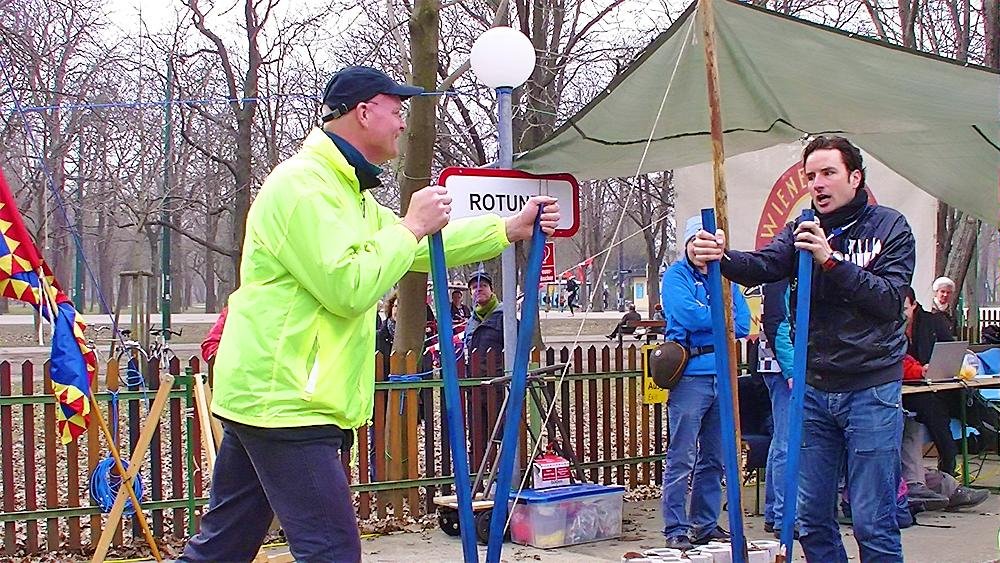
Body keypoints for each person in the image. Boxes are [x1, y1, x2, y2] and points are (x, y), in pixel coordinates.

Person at [179, 65, 560, 562]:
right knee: (331, 552)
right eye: (396, 109)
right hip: (290, 402)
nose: (403, 122)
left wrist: (506, 229)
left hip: (273, 395)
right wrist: (411, 227)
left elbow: (418, 247)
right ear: (363, 112)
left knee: (222, 548)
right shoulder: (304, 188)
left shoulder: (347, 194)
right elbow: (348, 287)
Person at [689, 136, 915, 562]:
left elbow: (889, 300)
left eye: (828, 173)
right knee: (809, 518)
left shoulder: (890, 227)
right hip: (814, 388)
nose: (818, 184)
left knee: (872, 519)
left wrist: (831, 261)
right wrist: (720, 256)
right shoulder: (802, 227)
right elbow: (764, 265)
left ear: (855, 177)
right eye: (811, 176)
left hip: (870, 387)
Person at [660, 215, 751, 551]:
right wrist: (721, 316)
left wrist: (712, 315)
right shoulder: (676, 276)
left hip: (722, 375)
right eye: (697, 242)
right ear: (688, 243)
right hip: (690, 376)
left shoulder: (725, 275)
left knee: (714, 456)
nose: (703, 250)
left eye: (709, 243)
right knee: (682, 455)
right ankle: (675, 527)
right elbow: (688, 315)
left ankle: (705, 524)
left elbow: (743, 323)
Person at [759, 279, 795, 539]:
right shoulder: (780, 279)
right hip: (782, 366)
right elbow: (777, 324)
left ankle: (775, 512)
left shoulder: (779, 276)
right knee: (787, 441)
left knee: (781, 440)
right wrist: (791, 369)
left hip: (776, 364)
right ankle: (784, 516)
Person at [463, 270, 504, 377]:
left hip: (500, 382)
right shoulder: (471, 322)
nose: (479, 289)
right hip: (475, 382)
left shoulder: (505, 318)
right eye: (474, 287)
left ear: (491, 290)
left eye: (483, 285)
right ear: (471, 294)